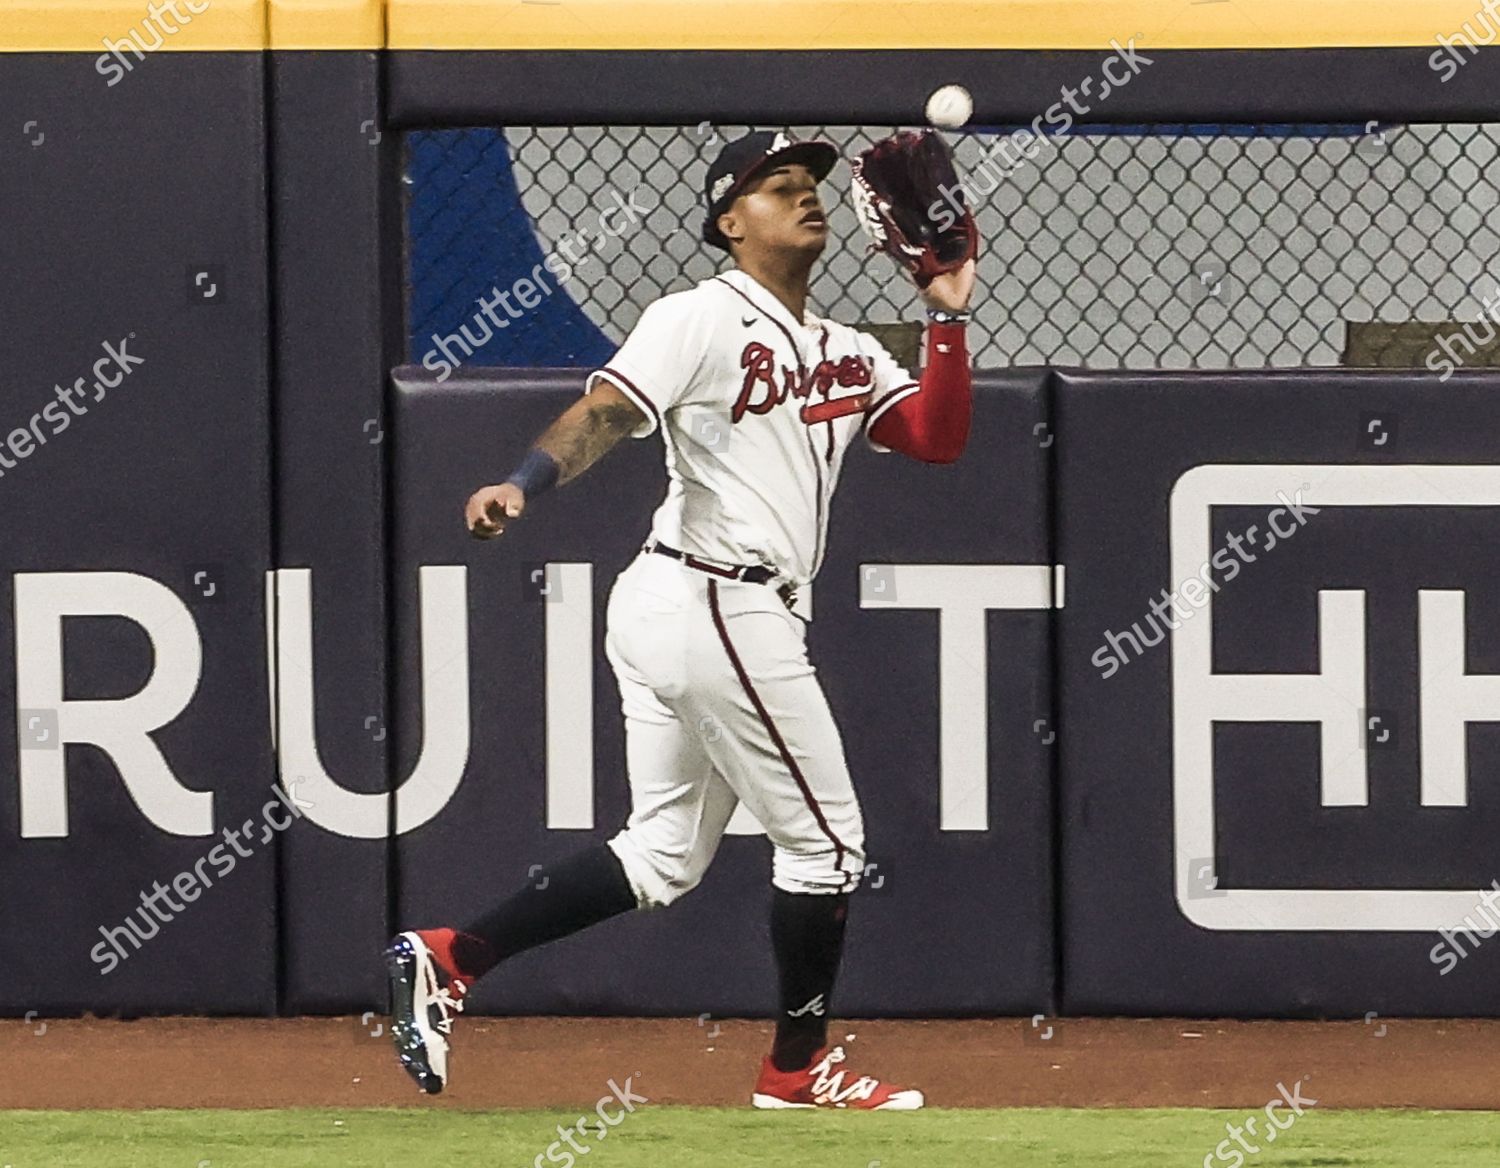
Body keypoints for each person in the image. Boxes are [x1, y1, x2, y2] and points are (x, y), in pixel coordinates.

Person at [387, 129, 976, 1109]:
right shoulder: (699, 317)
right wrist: (525, 481)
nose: (805, 198)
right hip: (712, 595)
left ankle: (449, 956)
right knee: (828, 844)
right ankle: (795, 1069)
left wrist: (947, 315)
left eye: (810, 186)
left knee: (661, 854)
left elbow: (936, 438)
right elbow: (606, 413)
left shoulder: (849, 349)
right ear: (727, 220)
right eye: (779, 186)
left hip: (712, 607)